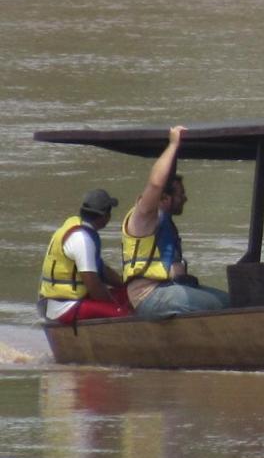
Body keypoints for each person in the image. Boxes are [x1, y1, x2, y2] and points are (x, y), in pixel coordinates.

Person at [121, 125, 230, 318]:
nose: (185, 199)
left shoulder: (165, 221)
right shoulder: (143, 216)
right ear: (164, 198)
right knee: (218, 306)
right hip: (149, 295)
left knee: (231, 302)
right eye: (181, 195)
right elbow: (156, 183)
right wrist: (173, 144)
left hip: (171, 289)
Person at [37, 189, 132, 324]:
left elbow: (102, 270)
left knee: (128, 295)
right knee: (124, 315)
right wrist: (115, 305)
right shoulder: (82, 239)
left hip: (67, 300)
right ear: (104, 216)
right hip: (65, 306)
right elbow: (93, 286)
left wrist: (126, 285)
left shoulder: (77, 227)